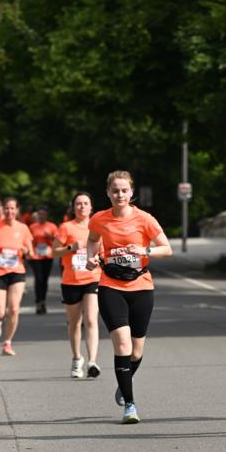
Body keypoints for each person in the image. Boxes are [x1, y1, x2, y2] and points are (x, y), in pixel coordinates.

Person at [86, 170, 172, 423]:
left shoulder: (145, 219)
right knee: (122, 344)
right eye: (115, 191)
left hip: (142, 287)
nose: (119, 194)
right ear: (108, 193)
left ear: (131, 192)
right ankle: (130, 405)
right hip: (111, 286)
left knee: (136, 351)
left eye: (124, 190)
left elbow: (167, 249)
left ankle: (124, 381)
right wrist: (92, 256)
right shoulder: (99, 219)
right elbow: (92, 240)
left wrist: (145, 249)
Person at [53, 192, 101, 378]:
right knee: (75, 322)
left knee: (91, 319)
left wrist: (97, 258)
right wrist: (70, 248)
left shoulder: (97, 227)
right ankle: (76, 358)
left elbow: (103, 252)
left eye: (85, 203)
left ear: (91, 207)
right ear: (73, 207)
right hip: (71, 281)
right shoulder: (66, 227)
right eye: (78, 204)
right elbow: (54, 252)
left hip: (92, 278)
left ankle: (92, 361)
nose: (82, 206)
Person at [0, 196, 33, 356]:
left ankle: (7, 343)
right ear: (2, 210)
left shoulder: (23, 228)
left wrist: (25, 251)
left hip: (16, 271)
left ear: (17, 210)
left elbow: (30, 251)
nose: (9, 211)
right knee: (1, 312)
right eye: (6, 208)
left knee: (14, 309)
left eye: (12, 208)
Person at [28, 207, 58, 314]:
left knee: (44, 280)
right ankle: (38, 301)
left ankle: (43, 301)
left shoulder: (52, 226)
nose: (41, 216)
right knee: (38, 279)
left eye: (43, 214)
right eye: (40, 214)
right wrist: (29, 252)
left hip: (48, 256)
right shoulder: (32, 227)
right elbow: (29, 241)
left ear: (47, 215)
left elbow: (58, 241)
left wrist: (50, 237)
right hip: (36, 256)